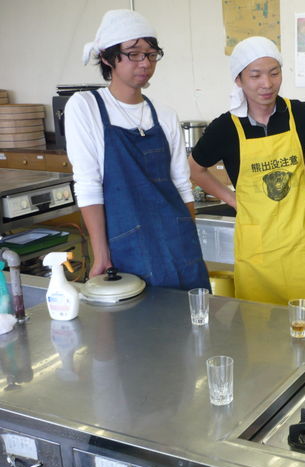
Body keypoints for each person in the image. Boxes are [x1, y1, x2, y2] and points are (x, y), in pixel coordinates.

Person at [65, 9, 210, 291]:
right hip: (127, 244)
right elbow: (88, 184)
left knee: (192, 313)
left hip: (178, 240)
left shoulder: (164, 115)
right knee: (139, 316)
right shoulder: (86, 107)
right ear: (107, 57)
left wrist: (190, 243)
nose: (145, 63)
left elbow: (182, 185)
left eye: (151, 54)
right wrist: (101, 253)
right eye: (133, 54)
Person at [189, 37, 305, 310]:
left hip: (300, 248)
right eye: (255, 75)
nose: (267, 83)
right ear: (239, 79)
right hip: (257, 254)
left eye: (274, 73)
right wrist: (232, 200)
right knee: (260, 328)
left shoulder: (300, 114)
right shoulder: (226, 128)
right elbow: (195, 169)